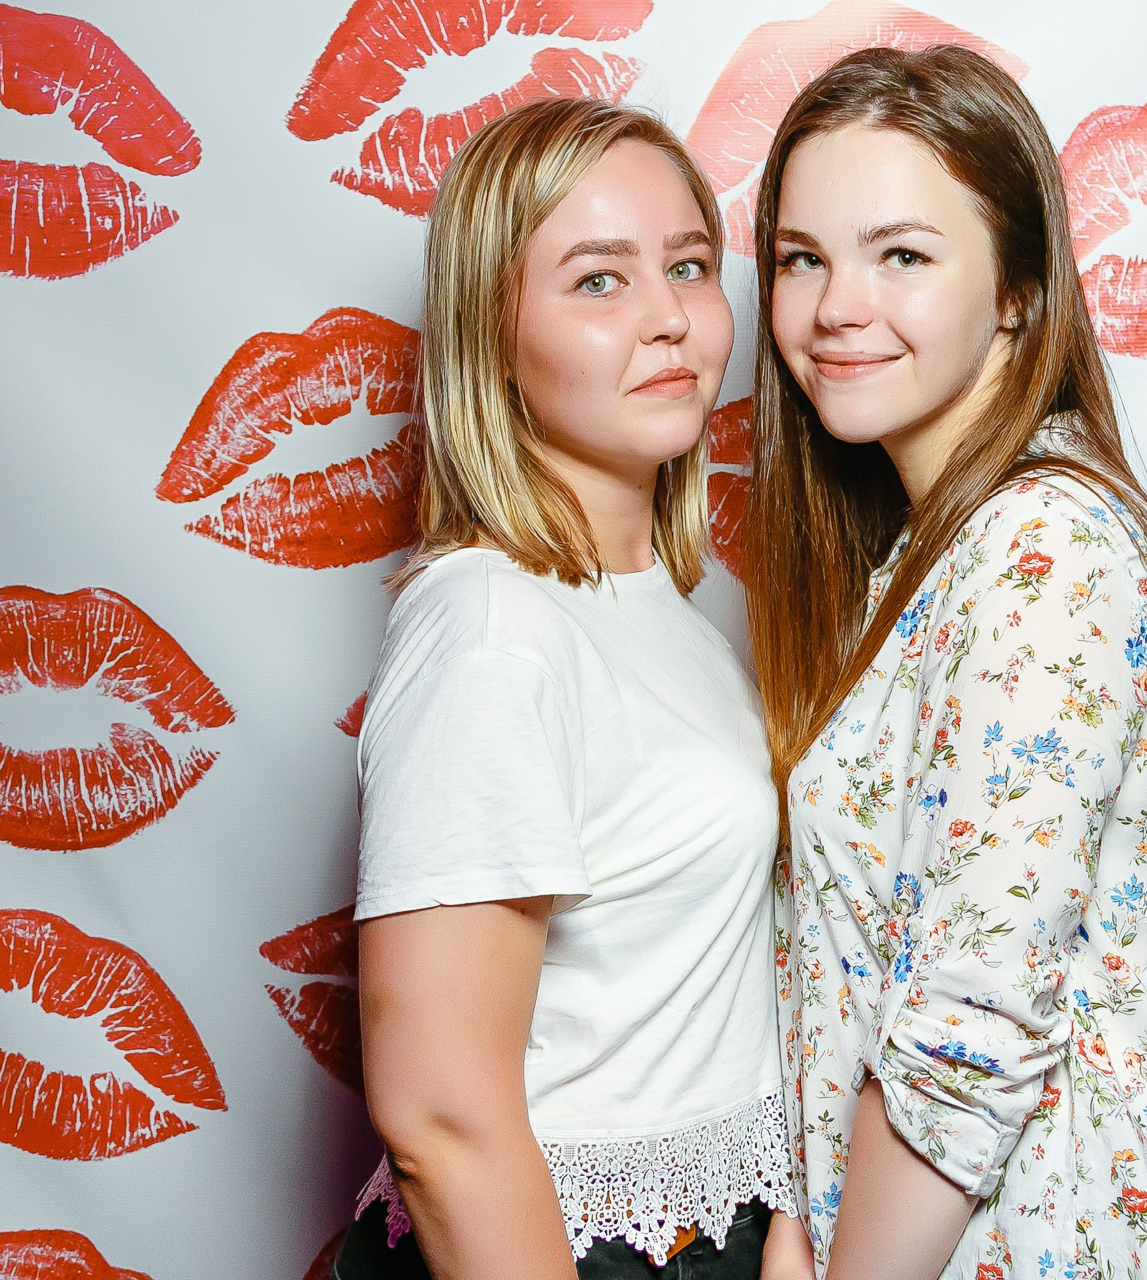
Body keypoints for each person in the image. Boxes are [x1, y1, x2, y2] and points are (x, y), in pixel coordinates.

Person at [743, 48, 1147, 1280]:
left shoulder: (1045, 547)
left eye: (901, 255)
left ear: (1021, 291)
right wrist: (797, 1224)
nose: (836, 306)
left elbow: (965, 1038)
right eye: (802, 257)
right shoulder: (938, 548)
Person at [337, 98, 797, 1280]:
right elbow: (441, 1116)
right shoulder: (493, 624)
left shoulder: (668, 616)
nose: (669, 316)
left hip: (708, 1231)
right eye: (599, 280)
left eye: (687, 266)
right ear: (492, 334)